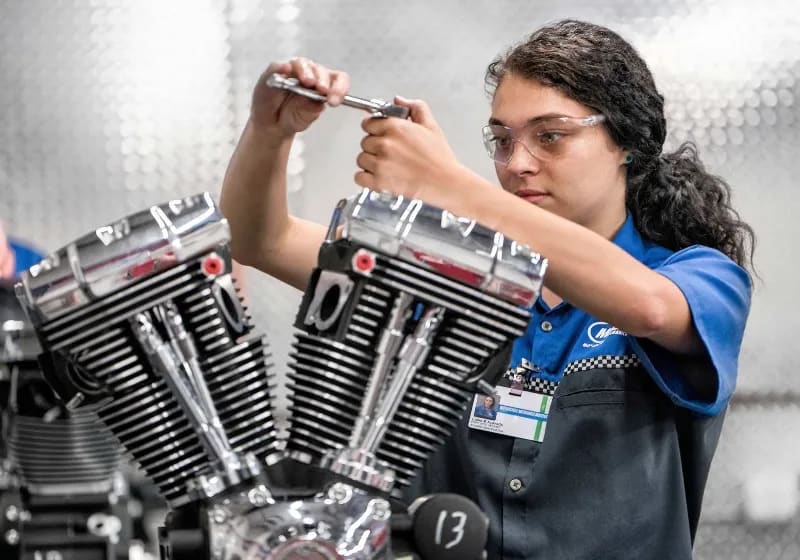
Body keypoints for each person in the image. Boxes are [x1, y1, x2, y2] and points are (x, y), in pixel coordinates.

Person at [220, 19, 753, 560]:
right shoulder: (445, 275)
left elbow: (650, 308)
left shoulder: (697, 277)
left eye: (550, 136)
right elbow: (258, 238)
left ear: (626, 145)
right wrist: (270, 130)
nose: (517, 164)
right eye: (502, 140)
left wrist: (451, 188)